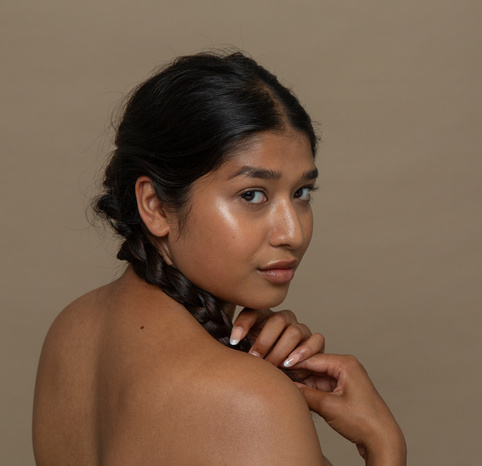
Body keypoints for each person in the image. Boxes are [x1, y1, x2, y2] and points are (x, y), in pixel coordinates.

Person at [32, 51, 406, 465]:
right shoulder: (250, 401)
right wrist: (383, 444)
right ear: (154, 205)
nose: (293, 233)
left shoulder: (71, 331)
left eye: (301, 193)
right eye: (252, 195)